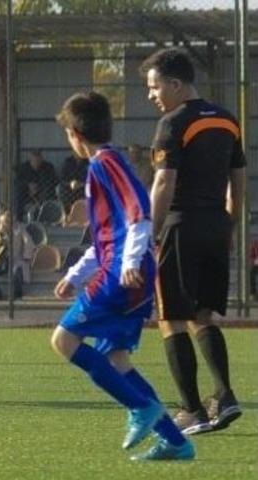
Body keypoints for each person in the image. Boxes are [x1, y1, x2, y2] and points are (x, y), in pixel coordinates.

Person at [52, 91, 194, 461]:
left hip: (124, 272)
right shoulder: (107, 163)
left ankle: (141, 408)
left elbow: (139, 212)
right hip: (128, 270)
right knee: (117, 360)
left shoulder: (104, 162)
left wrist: (130, 262)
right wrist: (76, 274)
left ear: (75, 136)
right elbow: (106, 236)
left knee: (63, 341)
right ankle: (177, 443)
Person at [142, 47, 245, 435]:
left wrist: (149, 235)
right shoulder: (227, 119)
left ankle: (192, 410)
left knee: (170, 318)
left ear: (176, 84)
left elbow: (164, 182)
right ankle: (225, 395)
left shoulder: (172, 122)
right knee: (203, 314)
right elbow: (238, 182)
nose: (151, 95)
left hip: (180, 226)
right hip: (217, 225)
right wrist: (229, 226)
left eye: (154, 87)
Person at [0, 211, 34, 300]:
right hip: (0, 261)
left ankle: (17, 295)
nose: (7, 223)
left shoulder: (20, 228)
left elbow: (28, 242)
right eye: (5, 221)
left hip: (15, 260)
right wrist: (0, 235)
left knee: (17, 271)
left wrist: (26, 256)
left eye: (9, 220)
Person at [16, 149, 58, 220]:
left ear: (41, 159)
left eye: (38, 160)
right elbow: (18, 182)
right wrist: (28, 186)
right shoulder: (24, 168)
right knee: (19, 194)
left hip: (43, 192)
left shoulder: (48, 167)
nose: (36, 162)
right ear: (30, 159)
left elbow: (53, 181)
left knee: (48, 192)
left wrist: (39, 188)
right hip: (27, 193)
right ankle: (19, 219)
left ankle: (46, 218)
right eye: (34, 160)